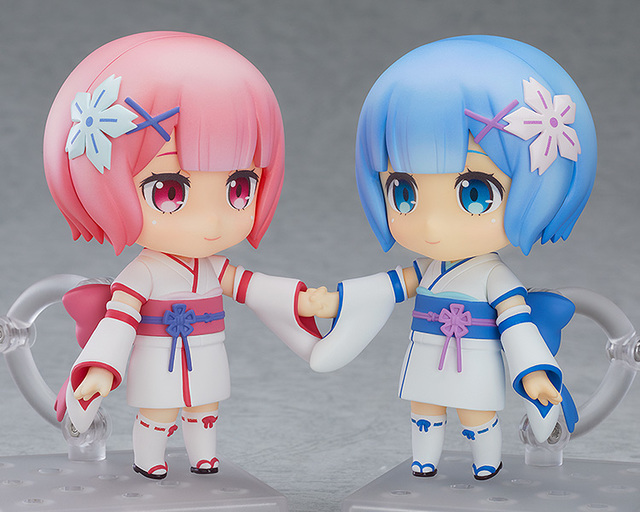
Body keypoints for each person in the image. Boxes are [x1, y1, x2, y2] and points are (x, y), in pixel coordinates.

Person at [309, 35, 596, 480]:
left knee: (476, 412)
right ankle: (425, 460)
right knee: (424, 407)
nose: (432, 226)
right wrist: (338, 301)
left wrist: (534, 371)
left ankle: (487, 461)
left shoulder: (493, 277)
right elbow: (391, 286)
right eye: (403, 192)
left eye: (475, 193)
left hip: (476, 356)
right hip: (426, 352)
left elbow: (517, 324)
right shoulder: (429, 269)